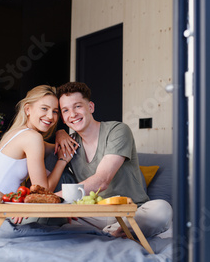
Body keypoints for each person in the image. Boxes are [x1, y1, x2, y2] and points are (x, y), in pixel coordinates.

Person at [53, 81, 172, 237]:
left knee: (162, 209)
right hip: (94, 214)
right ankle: (115, 234)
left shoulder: (117, 130)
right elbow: (40, 148)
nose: (73, 114)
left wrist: (54, 199)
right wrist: (59, 133)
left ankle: (112, 233)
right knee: (53, 219)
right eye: (66, 110)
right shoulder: (69, 143)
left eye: (78, 106)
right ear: (62, 117)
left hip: (131, 212)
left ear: (90, 107)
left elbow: (102, 180)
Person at [0, 85, 76, 224]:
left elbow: (56, 149)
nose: (50, 116)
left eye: (55, 111)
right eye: (44, 108)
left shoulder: (18, 133)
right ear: (28, 109)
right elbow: (42, 192)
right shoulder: (32, 138)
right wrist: (62, 161)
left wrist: (60, 133)